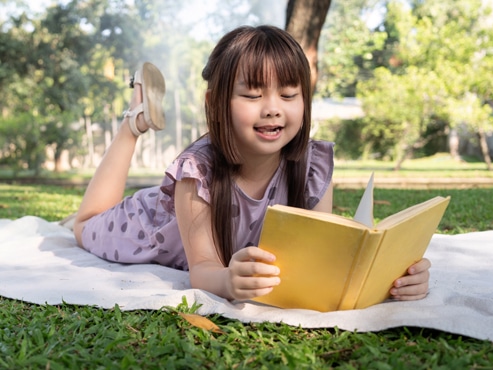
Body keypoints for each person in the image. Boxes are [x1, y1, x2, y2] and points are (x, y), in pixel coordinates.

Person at [73, 25, 430, 303]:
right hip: (150, 223)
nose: (273, 107)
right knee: (82, 226)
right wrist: (227, 280)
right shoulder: (197, 173)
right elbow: (202, 271)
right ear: (216, 103)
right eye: (253, 94)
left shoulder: (312, 166)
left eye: (289, 94)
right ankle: (133, 124)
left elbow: (325, 255)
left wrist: (398, 276)